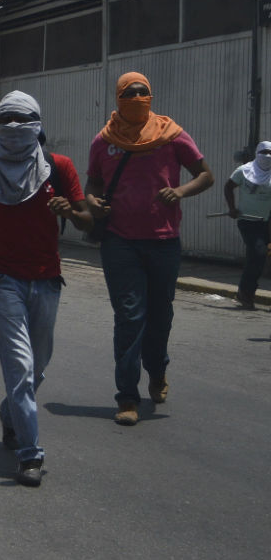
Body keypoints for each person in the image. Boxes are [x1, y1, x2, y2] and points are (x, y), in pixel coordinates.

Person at [0, 92, 92, 487]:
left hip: (47, 279)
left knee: (39, 364)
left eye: (22, 119)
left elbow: (87, 222)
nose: (14, 127)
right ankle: (31, 454)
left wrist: (70, 211)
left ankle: (9, 412)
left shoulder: (59, 167)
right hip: (2, 279)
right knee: (20, 366)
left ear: (38, 125)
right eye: (6, 120)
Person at [84, 71, 213, 426]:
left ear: (151, 96)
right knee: (129, 317)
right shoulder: (104, 141)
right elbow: (92, 183)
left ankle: (157, 369)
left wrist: (180, 191)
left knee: (160, 316)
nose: (137, 98)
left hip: (164, 241)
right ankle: (127, 397)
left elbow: (206, 175)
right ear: (119, 98)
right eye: (130, 93)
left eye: (143, 92)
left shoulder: (171, 135)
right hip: (119, 241)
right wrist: (93, 201)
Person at [223, 141, 271, 310]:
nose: (267, 156)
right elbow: (228, 187)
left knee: (258, 257)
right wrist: (232, 208)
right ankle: (246, 293)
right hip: (248, 221)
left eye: (270, 153)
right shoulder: (244, 171)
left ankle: (245, 292)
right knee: (258, 254)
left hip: (267, 221)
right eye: (264, 152)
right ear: (257, 153)